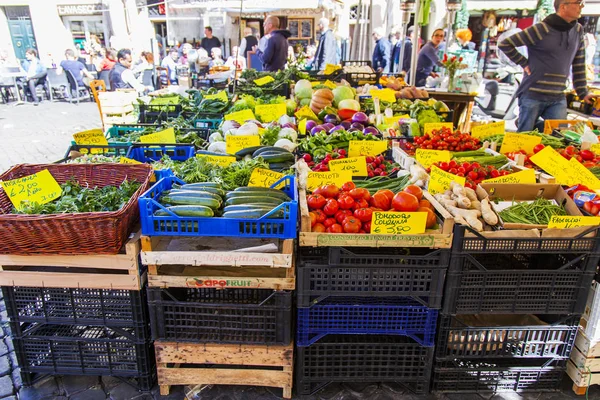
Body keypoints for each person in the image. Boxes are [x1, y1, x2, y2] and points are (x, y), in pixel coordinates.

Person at [498, 0, 595, 132]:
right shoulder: (541, 29)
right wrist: (523, 62)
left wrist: (583, 92)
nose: (581, 6)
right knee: (524, 137)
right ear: (563, 6)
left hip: (558, 95)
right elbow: (505, 44)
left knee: (559, 135)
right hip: (532, 94)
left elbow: (579, 63)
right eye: (578, 2)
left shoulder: (578, 31)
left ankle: (528, 124)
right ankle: (526, 124)